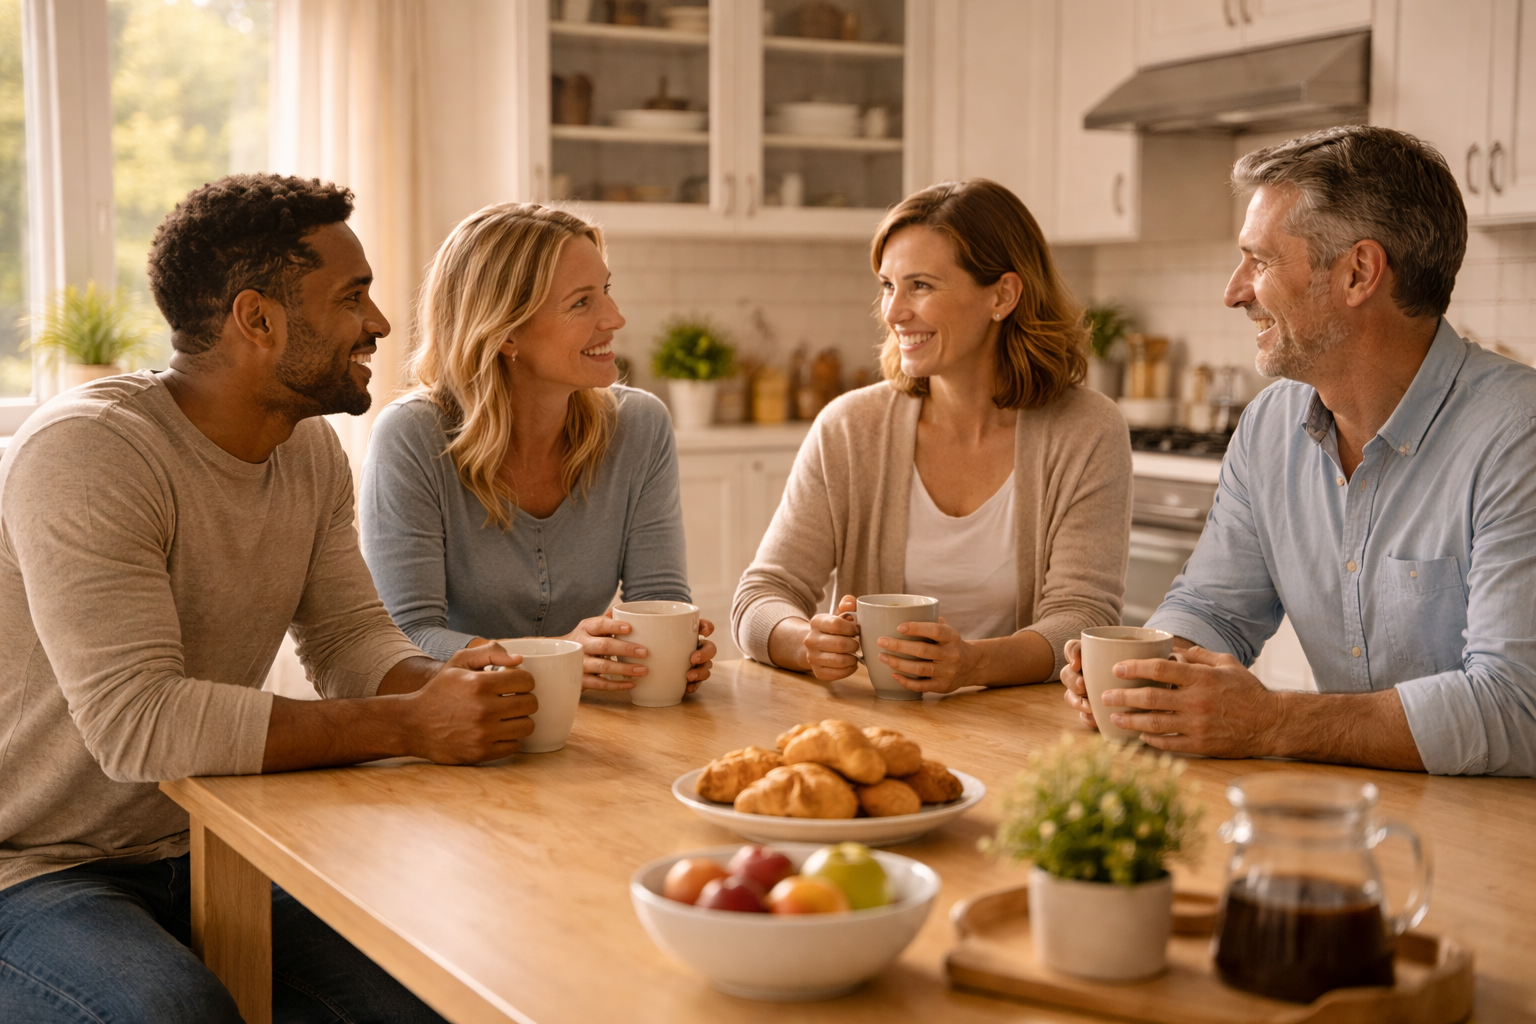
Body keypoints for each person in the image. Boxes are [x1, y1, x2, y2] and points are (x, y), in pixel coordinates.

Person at [0, 174, 533, 1023]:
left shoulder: (309, 449)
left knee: (440, 989)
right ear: (258, 320)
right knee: (173, 1014)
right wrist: (406, 726)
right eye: (353, 297)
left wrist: (446, 685)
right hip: (36, 865)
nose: (381, 324)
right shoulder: (90, 454)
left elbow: (349, 638)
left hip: (210, 837)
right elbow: (139, 725)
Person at [1062, 125, 1536, 777]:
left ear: (1358, 273)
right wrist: (1149, 673)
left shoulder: (1519, 435)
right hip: (1349, 806)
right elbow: (1214, 609)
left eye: (1259, 261)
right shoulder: (1270, 426)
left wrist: (1273, 721)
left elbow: (1519, 707)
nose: (1234, 291)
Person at [731, 179, 1132, 694]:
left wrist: (974, 665)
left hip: (1025, 735)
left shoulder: (1086, 430)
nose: (894, 312)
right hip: (876, 731)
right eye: (887, 285)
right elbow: (762, 595)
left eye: (920, 285)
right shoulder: (850, 428)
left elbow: (1083, 618)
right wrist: (804, 641)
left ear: (1003, 295)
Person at [359, 203, 716, 692]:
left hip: (600, 729)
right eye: (581, 302)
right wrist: (557, 658)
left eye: (606, 291)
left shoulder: (639, 425)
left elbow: (658, 598)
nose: (615, 318)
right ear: (505, 331)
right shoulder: (412, 437)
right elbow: (405, 637)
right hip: (466, 729)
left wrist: (675, 647)